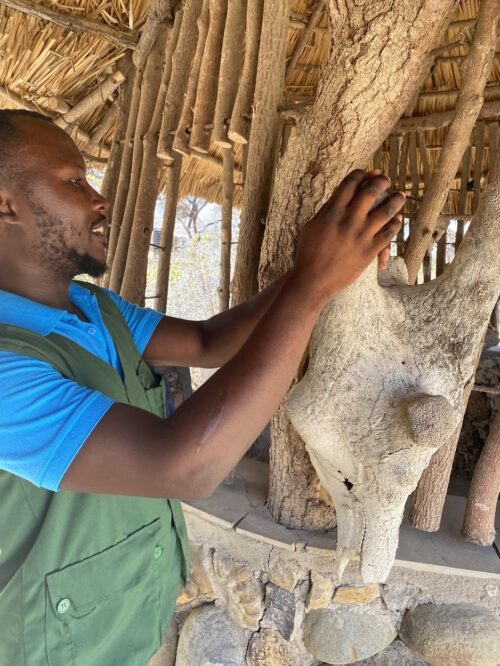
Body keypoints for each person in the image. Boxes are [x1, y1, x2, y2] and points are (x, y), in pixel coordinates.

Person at [0, 109, 405, 664]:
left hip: (120, 629)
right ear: (5, 204)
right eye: (73, 181)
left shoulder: (93, 308)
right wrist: (311, 286)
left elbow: (211, 342)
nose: (99, 199)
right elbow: (184, 466)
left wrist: (330, 258)